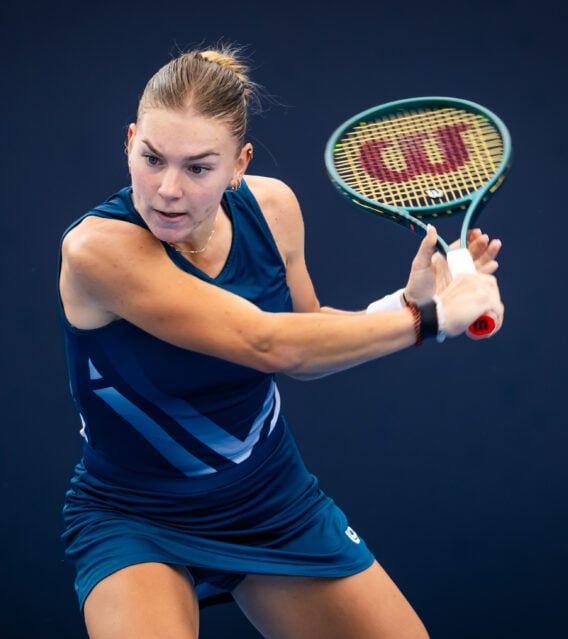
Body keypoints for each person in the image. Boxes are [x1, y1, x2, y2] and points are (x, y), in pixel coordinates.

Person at [57, 44, 504, 639]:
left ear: (239, 164)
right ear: (130, 140)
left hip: (270, 497)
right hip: (137, 513)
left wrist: (409, 303)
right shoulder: (97, 251)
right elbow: (268, 344)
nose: (167, 187)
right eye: (152, 158)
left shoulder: (273, 208)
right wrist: (432, 319)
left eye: (198, 167)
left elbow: (307, 342)